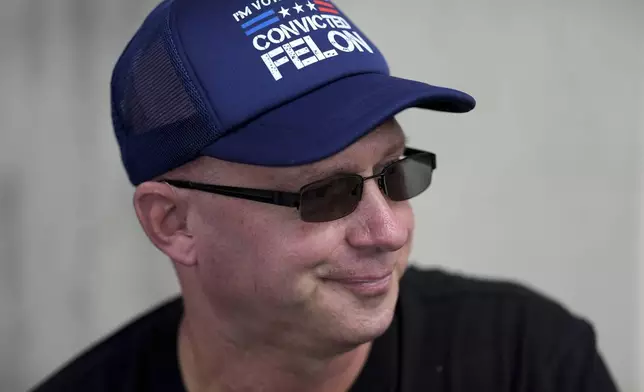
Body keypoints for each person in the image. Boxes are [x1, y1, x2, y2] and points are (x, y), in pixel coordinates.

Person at [31, 0, 619, 391]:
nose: (387, 233)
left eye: (395, 172)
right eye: (324, 194)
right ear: (174, 223)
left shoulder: (529, 362)